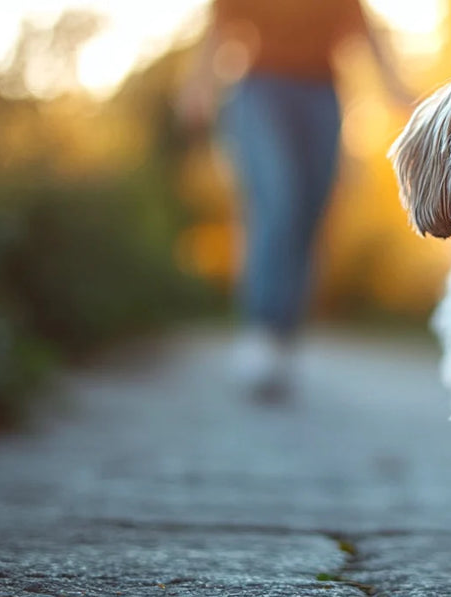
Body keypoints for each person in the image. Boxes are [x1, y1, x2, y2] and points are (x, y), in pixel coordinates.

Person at [175, 0, 413, 398]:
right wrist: (199, 82)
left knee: (310, 211)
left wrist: (396, 86)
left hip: (323, 94)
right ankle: (263, 331)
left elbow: (363, 25)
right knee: (276, 202)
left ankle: (284, 335)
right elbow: (221, 19)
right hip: (261, 90)